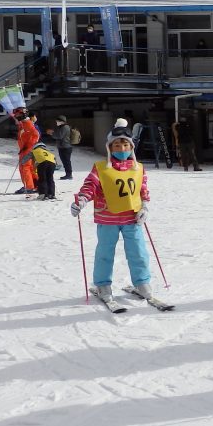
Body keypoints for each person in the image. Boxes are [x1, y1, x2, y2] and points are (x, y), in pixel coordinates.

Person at [69, 119, 153, 303]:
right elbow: (90, 186)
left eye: (125, 144)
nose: (121, 149)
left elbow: (143, 190)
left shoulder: (138, 167)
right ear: (110, 147)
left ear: (131, 146)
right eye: (117, 145)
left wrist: (145, 207)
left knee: (138, 252)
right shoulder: (100, 168)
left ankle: (142, 283)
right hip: (108, 218)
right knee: (105, 253)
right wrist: (81, 201)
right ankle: (103, 284)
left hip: (132, 218)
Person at [12, 106, 39, 196]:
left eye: (18, 114)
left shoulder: (28, 123)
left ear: (24, 114)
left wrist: (28, 146)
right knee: (29, 168)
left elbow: (36, 135)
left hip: (27, 150)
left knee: (25, 168)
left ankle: (29, 187)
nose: (16, 116)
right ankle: (36, 185)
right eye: (16, 114)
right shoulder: (23, 123)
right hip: (24, 150)